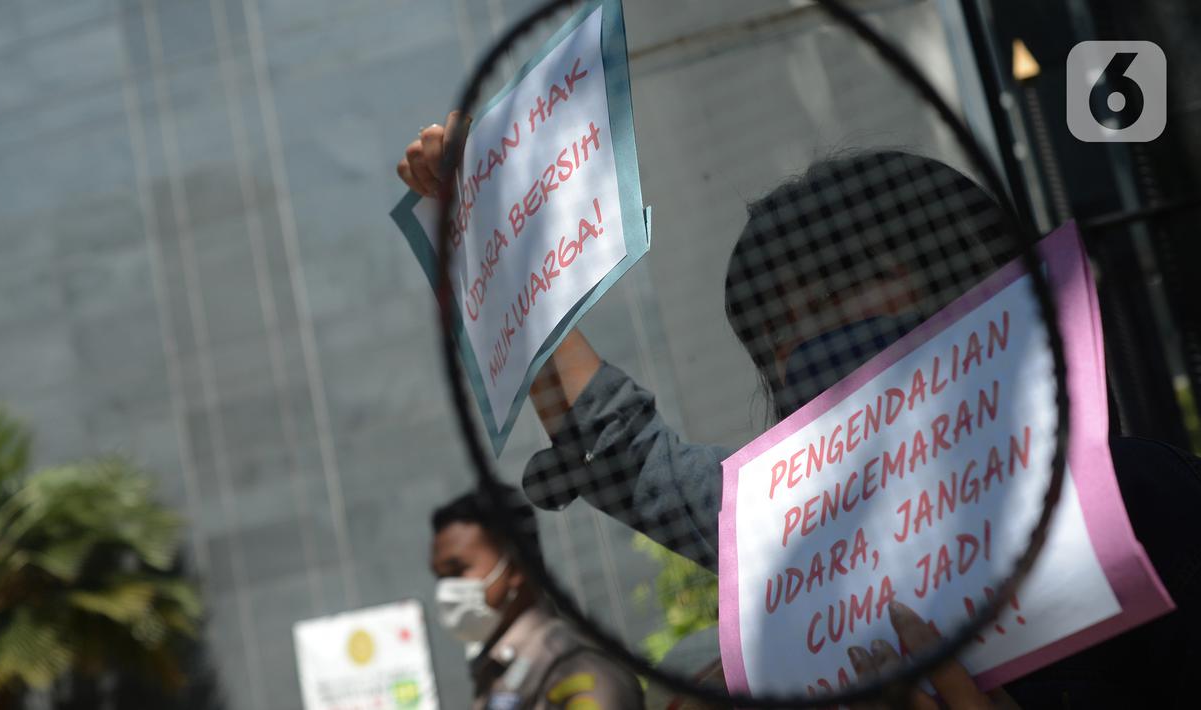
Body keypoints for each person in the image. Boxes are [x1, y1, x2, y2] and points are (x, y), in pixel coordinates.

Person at [404, 123, 1201, 707]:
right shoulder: (791, 537)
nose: (806, 337)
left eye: (839, 289)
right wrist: (485, 236)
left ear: (969, 280)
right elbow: (619, 449)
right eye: (776, 330)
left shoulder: (1133, 502)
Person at [430, 484, 644, 709]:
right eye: (440, 576)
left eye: (457, 570)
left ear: (514, 566)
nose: (447, 589)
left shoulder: (572, 662)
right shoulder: (496, 670)